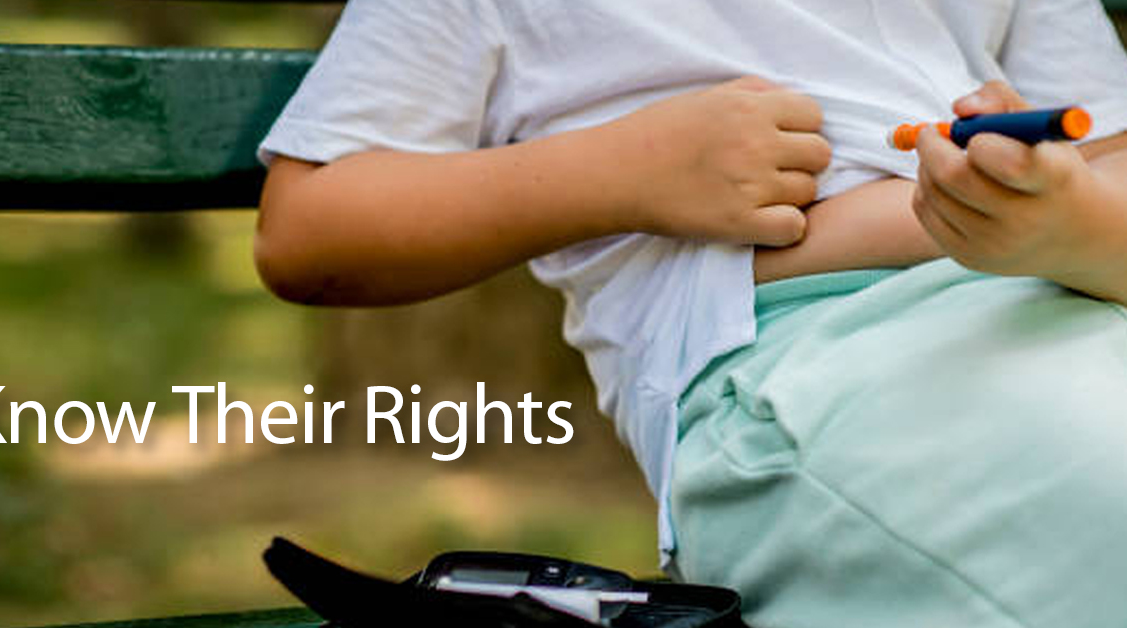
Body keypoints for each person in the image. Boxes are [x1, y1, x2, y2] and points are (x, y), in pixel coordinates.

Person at [254, 1, 1127, 625]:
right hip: (800, 367)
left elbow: (1113, 161)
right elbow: (309, 232)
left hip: (1078, 300)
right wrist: (624, 170)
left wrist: (1070, 220)